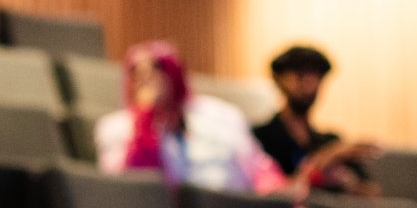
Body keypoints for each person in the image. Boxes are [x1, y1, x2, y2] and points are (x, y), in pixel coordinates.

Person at [95, 39, 284, 194]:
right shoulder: (116, 127)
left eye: (157, 68)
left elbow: (259, 166)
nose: (148, 78)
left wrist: (273, 192)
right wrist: (146, 119)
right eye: (138, 73)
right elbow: (133, 190)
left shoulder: (220, 114)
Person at [253, 44, 382, 194]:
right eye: (300, 76)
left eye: (317, 77)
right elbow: (265, 196)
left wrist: (348, 182)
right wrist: (324, 159)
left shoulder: (330, 141)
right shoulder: (259, 139)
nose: (309, 85)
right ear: (279, 79)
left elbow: (373, 197)